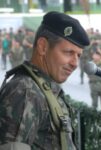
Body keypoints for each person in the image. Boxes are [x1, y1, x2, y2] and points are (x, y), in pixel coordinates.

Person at [0, 11, 90, 150]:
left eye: (78, 55)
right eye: (68, 52)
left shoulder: (41, 86)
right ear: (43, 46)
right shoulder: (26, 90)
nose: (75, 63)